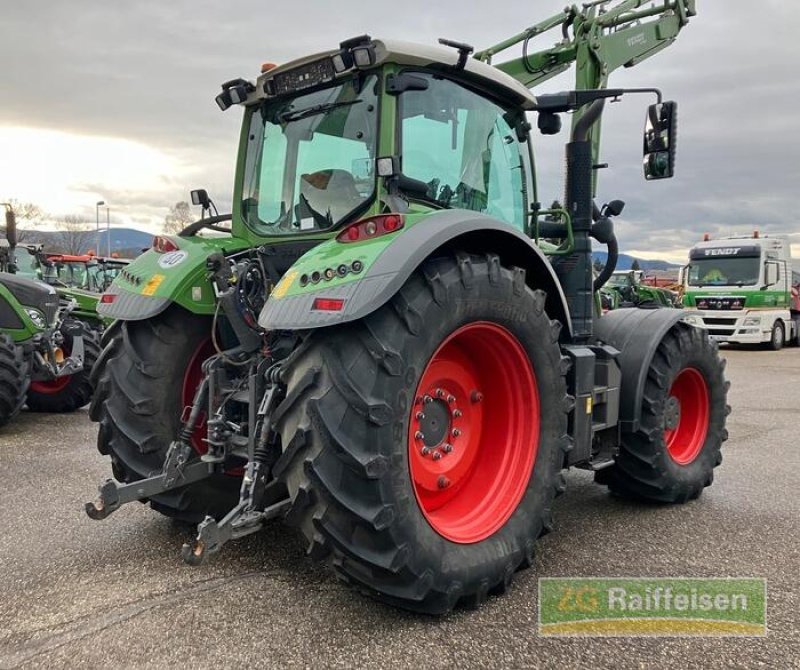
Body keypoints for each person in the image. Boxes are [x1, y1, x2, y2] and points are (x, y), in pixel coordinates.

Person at [791, 281, 800, 346]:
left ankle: (797, 340)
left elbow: (796, 293)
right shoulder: (795, 288)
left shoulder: (795, 290)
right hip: (793, 310)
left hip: (797, 311)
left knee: (797, 326)